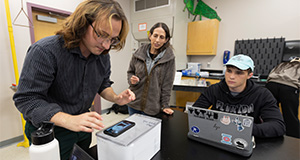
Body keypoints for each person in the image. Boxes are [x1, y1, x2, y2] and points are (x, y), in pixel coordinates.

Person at [13, 0, 135, 160]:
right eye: (102, 35)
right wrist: (67, 119)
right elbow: (27, 100)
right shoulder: (45, 51)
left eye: (112, 39)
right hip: (51, 129)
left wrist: (116, 98)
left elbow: (103, 85)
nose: (106, 45)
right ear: (82, 24)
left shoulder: (102, 56)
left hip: (82, 125)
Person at [193, 54, 286, 138]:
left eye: (239, 72)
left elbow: (278, 126)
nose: (231, 76)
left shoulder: (262, 94)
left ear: (249, 75)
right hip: (217, 135)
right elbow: (194, 113)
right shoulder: (214, 90)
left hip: (245, 140)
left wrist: (241, 129)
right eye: (229, 71)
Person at [127, 22, 175, 116]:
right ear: (150, 36)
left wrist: (165, 105)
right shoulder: (139, 53)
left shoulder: (169, 58)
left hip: (152, 107)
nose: (157, 40)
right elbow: (130, 72)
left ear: (166, 40)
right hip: (134, 103)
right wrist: (131, 79)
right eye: (155, 35)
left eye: (161, 37)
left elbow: (167, 85)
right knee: (133, 130)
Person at [266, 57, 300, 138]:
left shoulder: (282, 64)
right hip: (289, 87)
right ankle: (294, 138)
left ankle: (269, 130)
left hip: (271, 85)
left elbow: (271, 74)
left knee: (269, 111)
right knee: (290, 114)